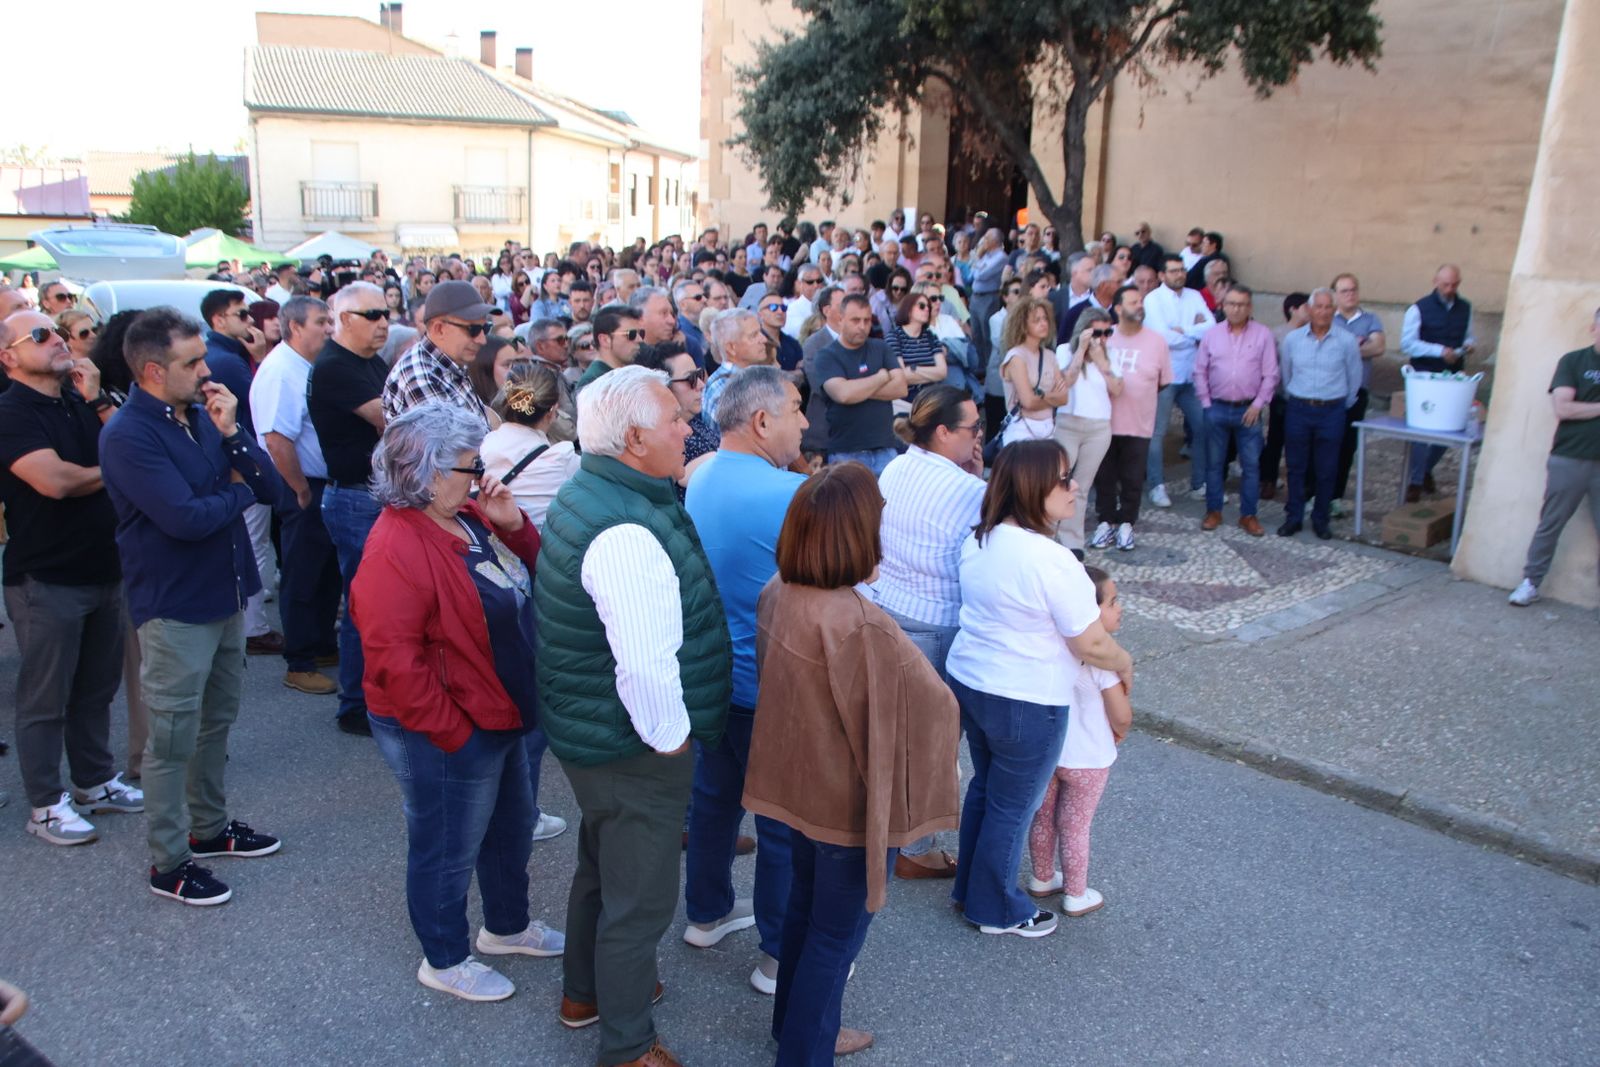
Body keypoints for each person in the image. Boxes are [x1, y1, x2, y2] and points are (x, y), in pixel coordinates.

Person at [535, 366, 732, 1067]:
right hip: (631, 743)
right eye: (677, 419)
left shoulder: (601, 491)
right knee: (640, 901)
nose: (690, 427)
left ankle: (584, 992)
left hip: (598, 732)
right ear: (634, 439)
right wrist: (672, 743)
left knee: (603, 864)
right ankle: (627, 1046)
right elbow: (645, 665)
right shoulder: (624, 527)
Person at [744, 462, 959, 1063]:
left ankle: (795, 1029)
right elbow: (934, 710)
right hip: (846, 806)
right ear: (857, 535)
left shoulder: (777, 591)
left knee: (803, 918)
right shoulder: (861, 625)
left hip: (791, 787)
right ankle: (804, 1050)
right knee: (834, 939)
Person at [352, 403, 566, 1002]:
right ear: (424, 471)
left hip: (499, 708)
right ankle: (443, 958)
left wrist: (513, 521)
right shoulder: (394, 548)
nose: (480, 476)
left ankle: (507, 926)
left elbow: (536, 574)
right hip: (453, 724)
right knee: (447, 845)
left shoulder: (469, 514)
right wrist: (455, 736)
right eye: (470, 468)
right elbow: (395, 662)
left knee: (509, 829)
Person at [100, 308, 288, 906]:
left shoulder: (201, 416)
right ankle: (168, 861)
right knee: (172, 737)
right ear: (154, 370)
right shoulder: (129, 434)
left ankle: (208, 829)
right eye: (193, 361)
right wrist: (232, 493)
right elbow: (183, 518)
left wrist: (232, 435)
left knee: (216, 722)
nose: (208, 370)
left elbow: (271, 489)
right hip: (176, 603)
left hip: (225, 591)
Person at [945, 439, 1132, 938]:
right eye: (1063, 478)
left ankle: (970, 888)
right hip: (1026, 697)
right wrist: (1126, 662)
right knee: (1014, 805)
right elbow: (1091, 641)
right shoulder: (1052, 561)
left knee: (987, 790)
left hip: (972, 680)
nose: (1073, 487)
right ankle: (996, 908)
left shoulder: (979, 539)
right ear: (1033, 487)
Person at [682, 367, 808, 996]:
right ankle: (778, 956)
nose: (804, 422)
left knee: (716, 798)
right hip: (769, 683)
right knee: (783, 822)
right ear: (762, 421)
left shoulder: (700, 476)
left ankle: (705, 913)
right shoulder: (789, 494)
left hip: (714, 676)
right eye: (795, 409)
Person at [0, 310, 138, 845]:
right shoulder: (11, 412)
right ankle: (44, 804)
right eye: (40, 335)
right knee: (44, 698)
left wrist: (99, 397)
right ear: (8, 357)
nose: (57, 339)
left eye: (57, 332)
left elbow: (131, 443)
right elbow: (53, 480)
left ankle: (95, 781)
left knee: (96, 688)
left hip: (105, 566)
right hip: (46, 577)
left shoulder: (80, 400)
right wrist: (117, 473)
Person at [873, 385, 984, 878]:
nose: (980, 436)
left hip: (889, 610)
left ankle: (889, 829)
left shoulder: (897, 466)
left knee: (896, 733)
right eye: (973, 429)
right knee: (932, 744)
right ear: (943, 432)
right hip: (938, 625)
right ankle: (916, 848)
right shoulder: (969, 493)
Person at [307, 281, 391, 734]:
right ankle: (354, 704)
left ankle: (370, 696)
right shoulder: (336, 366)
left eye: (385, 313)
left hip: (373, 492)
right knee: (363, 606)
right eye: (371, 315)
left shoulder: (368, 361)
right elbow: (395, 418)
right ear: (343, 320)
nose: (383, 322)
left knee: (378, 604)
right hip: (356, 497)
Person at [1025, 565, 1131, 917]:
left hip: (1051, 752)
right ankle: (1076, 893)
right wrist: (1120, 732)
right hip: (1089, 758)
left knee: (1043, 817)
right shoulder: (1102, 661)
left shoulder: (1052, 648)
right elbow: (1121, 714)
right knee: (1075, 825)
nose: (1120, 608)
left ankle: (1041, 878)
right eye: (1113, 602)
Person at [252, 296, 340, 697]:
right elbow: (276, 438)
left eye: (329, 321)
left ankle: (320, 645)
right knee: (303, 574)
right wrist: (301, 488)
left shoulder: (304, 365)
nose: (328, 328)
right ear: (294, 328)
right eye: (321, 322)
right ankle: (299, 661)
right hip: (300, 485)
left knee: (324, 572)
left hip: (317, 483)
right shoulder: (281, 371)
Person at [1507, 308, 1600, 607]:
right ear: (1593, 328)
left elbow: (1576, 407)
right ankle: (1530, 582)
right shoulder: (1574, 361)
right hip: (1570, 457)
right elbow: (1564, 408)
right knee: (1551, 523)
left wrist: (1587, 405)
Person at [1088, 286, 1172, 552]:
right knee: (1105, 476)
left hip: (1139, 423)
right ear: (1118, 308)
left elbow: (1162, 382)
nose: (1140, 306)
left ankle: (1127, 523)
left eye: (1141, 302)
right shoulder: (1105, 337)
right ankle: (1105, 521)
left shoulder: (1157, 342)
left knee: (1133, 477)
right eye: (1133, 302)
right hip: (1104, 421)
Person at [1278, 288, 1362, 539]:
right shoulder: (1292, 340)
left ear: (1334, 310)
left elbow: (1354, 379)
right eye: (1319, 307)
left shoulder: (1346, 341)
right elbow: (1286, 373)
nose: (1324, 312)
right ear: (1310, 310)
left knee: (1327, 468)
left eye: (1328, 307)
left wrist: (1339, 403)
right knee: (1295, 466)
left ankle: (1321, 519)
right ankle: (1293, 516)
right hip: (1299, 408)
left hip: (1332, 410)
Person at [1194, 285, 1278, 536]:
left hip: (1248, 410)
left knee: (1251, 465)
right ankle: (1214, 510)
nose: (1236, 308)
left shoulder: (1263, 335)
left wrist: (1258, 404)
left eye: (1241, 304)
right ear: (1223, 306)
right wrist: (1206, 404)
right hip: (1217, 407)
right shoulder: (1212, 334)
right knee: (1215, 463)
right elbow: (1200, 371)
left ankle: (1248, 515)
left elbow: (1271, 374)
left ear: (1249, 307)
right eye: (1231, 303)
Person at [1142, 254, 1214, 508]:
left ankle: (1199, 483)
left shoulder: (1194, 296)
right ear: (1162, 275)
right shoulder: (1153, 300)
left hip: (1192, 375)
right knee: (1157, 433)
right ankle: (1156, 485)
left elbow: (1212, 326)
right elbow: (1163, 338)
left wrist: (1183, 331)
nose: (1179, 274)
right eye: (1173, 271)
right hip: (1164, 376)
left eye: (1181, 270)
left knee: (1204, 427)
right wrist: (1193, 334)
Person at [1402, 265, 1476, 501]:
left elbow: (1468, 334)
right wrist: (1438, 351)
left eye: (1454, 284)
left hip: (1453, 375)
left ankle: (1424, 470)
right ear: (1435, 281)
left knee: (1450, 427)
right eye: (1445, 284)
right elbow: (1408, 343)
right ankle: (1415, 480)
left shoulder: (1465, 308)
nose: (1450, 289)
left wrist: (1469, 344)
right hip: (1424, 375)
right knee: (1422, 429)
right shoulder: (1418, 308)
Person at [481, 363, 580, 532]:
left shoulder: (482, 448)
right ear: (553, 410)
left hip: (492, 552)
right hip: (536, 552)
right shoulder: (563, 459)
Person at [814, 294, 907, 475]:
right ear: (840, 320)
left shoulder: (881, 348)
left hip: (886, 449)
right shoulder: (827, 355)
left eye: (867, 320)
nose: (862, 326)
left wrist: (855, 388)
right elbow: (843, 394)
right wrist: (880, 378)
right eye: (855, 320)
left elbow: (901, 387)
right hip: (846, 452)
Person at [1054, 309, 1121, 553]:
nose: (1103, 338)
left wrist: (1103, 363)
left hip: (1099, 427)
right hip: (1067, 423)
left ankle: (1073, 542)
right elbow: (1065, 382)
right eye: (1097, 332)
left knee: (1081, 486)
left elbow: (1117, 389)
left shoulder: (1111, 355)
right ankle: (1050, 535)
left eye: (1107, 332)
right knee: (1056, 482)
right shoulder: (1064, 351)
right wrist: (1081, 351)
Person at [382, 281, 495, 425]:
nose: (482, 340)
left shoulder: (449, 361)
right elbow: (455, 446)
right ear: (439, 329)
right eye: (473, 330)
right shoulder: (420, 377)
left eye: (485, 328)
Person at [1331, 273, 1386, 514]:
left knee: (1346, 447)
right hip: (1329, 392)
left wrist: (1344, 349)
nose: (1350, 294)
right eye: (1344, 291)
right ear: (1335, 295)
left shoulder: (1370, 319)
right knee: (1322, 444)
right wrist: (1358, 345)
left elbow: (1379, 346)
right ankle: (1313, 494)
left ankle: (1335, 497)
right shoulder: (1327, 319)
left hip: (1356, 393)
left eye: (1353, 289)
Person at [998, 295, 1070, 447]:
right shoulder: (1016, 357)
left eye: (1045, 319)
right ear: (1023, 325)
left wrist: (1040, 396)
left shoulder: (1050, 356)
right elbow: (1028, 401)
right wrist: (1052, 396)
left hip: (1048, 428)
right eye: (1036, 320)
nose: (1043, 323)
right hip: (1022, 428)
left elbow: (1063, 398)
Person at [1262, 293, 1310, 501]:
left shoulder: (1311, 333)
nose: (1311, 311)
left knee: (1300, 443)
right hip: (1281, 395)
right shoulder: (1277, 334)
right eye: (1306, 307)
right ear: (1293, 309)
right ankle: (1268, 480)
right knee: (1275, 439)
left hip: (1303, 396)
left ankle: (1298, 484)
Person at [886, 289, 950, 403]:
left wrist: (913, 369)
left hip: (932, 396)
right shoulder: (894, 337)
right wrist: (931, 373)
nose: (926, 309)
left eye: (928, 307)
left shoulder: (931, 336)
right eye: (921, 306)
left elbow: (942, 372)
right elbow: (900, 376)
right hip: (906, 398)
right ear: (908, 309)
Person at [576, 304, 643, 392]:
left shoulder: (632, 372)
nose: (639, 339)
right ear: (605, 340)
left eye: (641, 333)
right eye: (631, 334)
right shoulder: (593, 382)